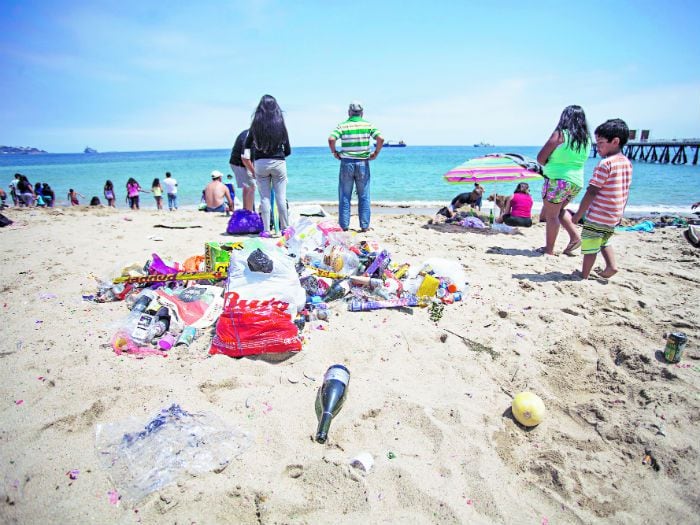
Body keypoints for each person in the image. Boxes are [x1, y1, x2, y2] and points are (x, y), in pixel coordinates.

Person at [572, 119, 632, 279]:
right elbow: (625, 190)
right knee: (604, 240)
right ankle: (611, 266)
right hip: (614, 214)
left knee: (590, 243)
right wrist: (621, 213)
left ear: (615, 141)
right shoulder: (627, 163)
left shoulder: (605, 164)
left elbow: (592, 191)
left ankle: (584, 275)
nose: (597, 147)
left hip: (598, 214)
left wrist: (579, 214)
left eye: (600, 143)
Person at [536, 105, 591, 256]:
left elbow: (540, 158)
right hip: (576, 182)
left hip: (557, 180)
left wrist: (552, 164)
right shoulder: (586, 140)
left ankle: (549, 250)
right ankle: (574, 237)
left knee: (551, 215)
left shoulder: (560, 135)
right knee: (559, 211)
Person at [328, 101, 383, 232]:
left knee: (345, 195)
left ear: (349, 112)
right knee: (364, 195)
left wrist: (334, 152)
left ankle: (344, 226)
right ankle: (364, 226)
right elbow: (380, 138)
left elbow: (331, 139)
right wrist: (375, 153)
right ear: (362, 113)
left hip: (346, 163)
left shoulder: (343, 126)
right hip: (363, 163)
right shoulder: (368, 125)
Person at [243, 95, 291, 233]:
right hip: (278, 162)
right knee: (281, 197)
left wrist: (256, 155)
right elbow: (288, 149)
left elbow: (247, 145)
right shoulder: (280, 123)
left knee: (264, 198)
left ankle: (265, 231)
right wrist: (279, 156)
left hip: (260, 164)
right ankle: (285, 229)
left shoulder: (256, 124)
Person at [229, 129, 256, 211]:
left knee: (247, 187)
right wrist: (254, 172)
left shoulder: (249, 133)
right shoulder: (251, 136)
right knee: (251, 187)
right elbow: (245, 158)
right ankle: (249, 213)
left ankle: (246, 211)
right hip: (239, 163)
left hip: (238, 162)